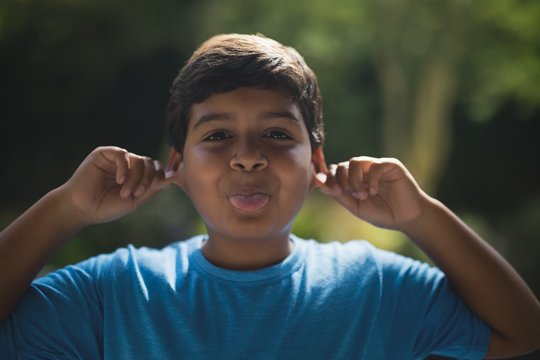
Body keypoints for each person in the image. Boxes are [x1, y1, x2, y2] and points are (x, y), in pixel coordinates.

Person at [1, 33, 539, 359]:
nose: (248, 156)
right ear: (177, 167)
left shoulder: (376, 288)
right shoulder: (117, 291)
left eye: (278, 134)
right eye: (216, 135)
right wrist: (65, 208)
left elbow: (522, 331)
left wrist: (422, 216)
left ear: (317, 165)